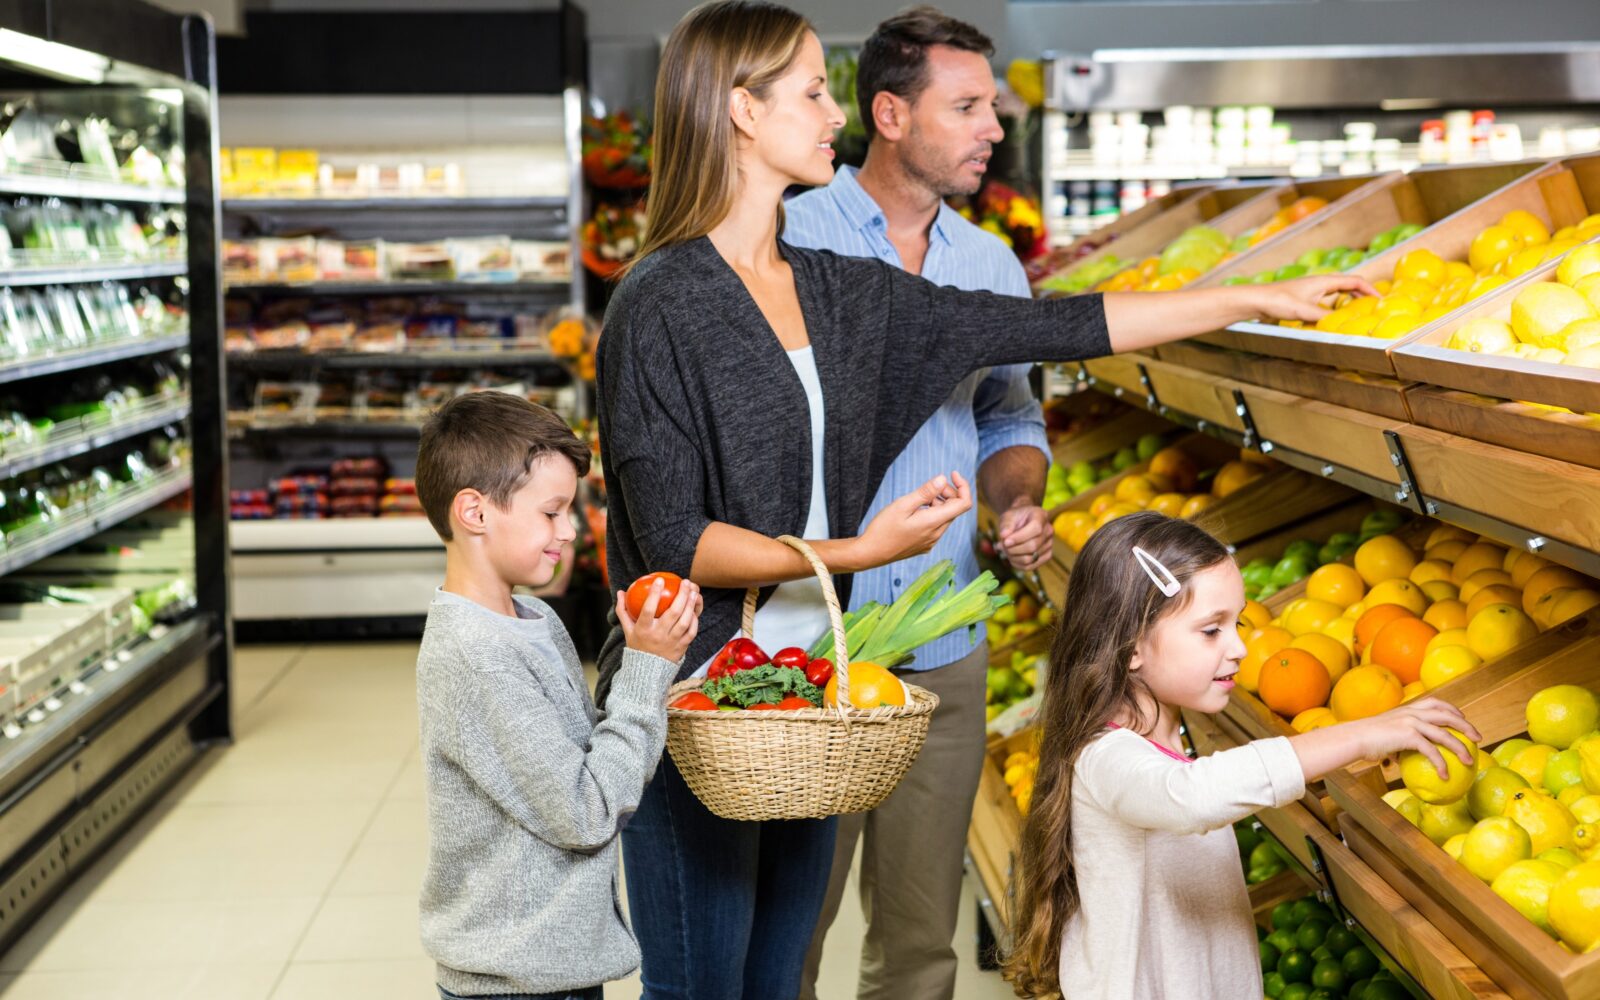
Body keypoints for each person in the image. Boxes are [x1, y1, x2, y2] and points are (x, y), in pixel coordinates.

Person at [594, 3, 1370, 997]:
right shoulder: (660, 302)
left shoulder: (835, 292)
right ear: (742, 110)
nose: (834, 114)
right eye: (813, 91)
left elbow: (1048, 325)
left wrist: (1249, 297)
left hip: (813, 686)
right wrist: (861, 554)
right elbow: (674, 540)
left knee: (777, 977)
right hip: (697, 693)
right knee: (704, 984)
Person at [781, 9, 1053, 998]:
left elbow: (1009, 415)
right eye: (967, 106)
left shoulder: (989, 265)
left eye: (993, 107)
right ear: (890, 115)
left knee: (919, 939)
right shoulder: (788, 237)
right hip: (807, 640)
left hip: (943, 640)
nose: (993, 127)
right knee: (789, 930)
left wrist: (1014, 502)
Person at [1002, 511, 1478, 999]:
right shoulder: (1104, 757)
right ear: (1131, 646)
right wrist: (1362, 735)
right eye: (1212, 630)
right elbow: (1191, 796)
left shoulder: (1165, 735)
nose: (1240, 648)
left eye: (1239, 622)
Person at [412, 391, 703, 1000]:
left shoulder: (535, 618)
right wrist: (646, 668)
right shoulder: (478, 655)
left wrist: (662, 666)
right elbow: (587, 812)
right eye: (552, 512)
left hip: (552, 966)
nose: (568, 532)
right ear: (474, 511)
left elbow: (585, 753)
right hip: (516, 981)